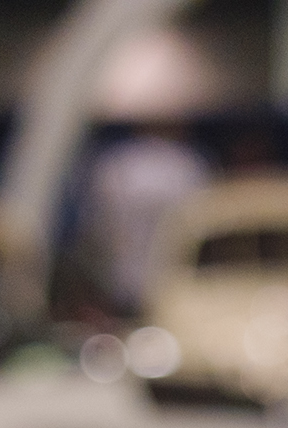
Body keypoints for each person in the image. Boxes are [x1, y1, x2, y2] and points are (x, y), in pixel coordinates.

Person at [80, 124, 210, 314]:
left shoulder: (116, 163)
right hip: (166, 280)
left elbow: (98, 228)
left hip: (128, 279)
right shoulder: (187, 163)